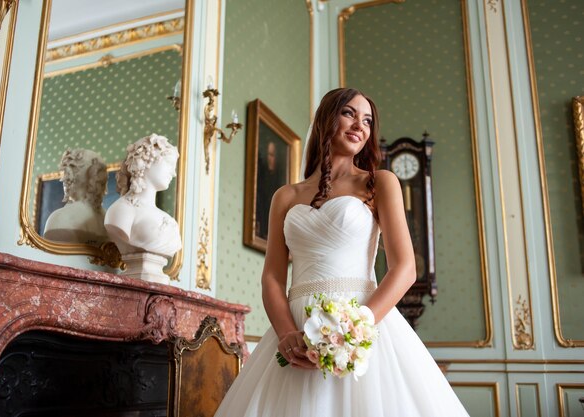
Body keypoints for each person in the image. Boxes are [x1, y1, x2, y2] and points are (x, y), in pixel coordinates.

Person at [214, 88, 469, 416]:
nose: (360, 125)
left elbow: (405, 269)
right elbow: (273, 279)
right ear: (325, 119)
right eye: (349, 113)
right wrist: (286, 334)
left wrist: (355, 327)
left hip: (362, 319)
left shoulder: (380, 183)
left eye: (367, 120)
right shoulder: (285, 196)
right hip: (296, 325)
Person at [104, 133, 181, 258]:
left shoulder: (167, 218)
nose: (173, 174)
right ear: (146, 161)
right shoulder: (121, 211)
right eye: (169, 164)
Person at [43, 148, 109, 245]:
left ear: (70, 177)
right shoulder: (109, 219)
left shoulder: (60, 218)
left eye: (65, 172)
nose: (63, 179)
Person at [255, 140, 286, 239]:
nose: (269, 159)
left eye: (272, 155)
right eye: (268, 154)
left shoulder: (280, 184)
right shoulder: (261, 179)